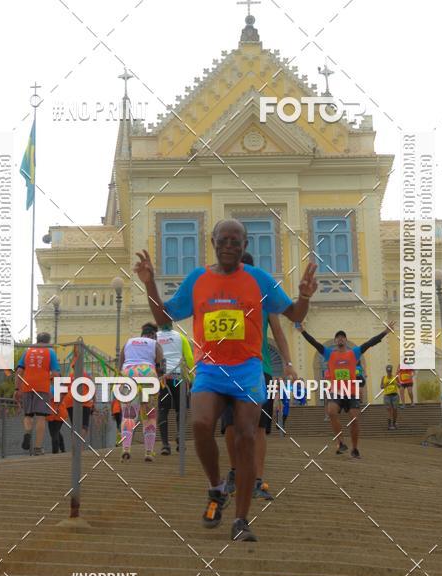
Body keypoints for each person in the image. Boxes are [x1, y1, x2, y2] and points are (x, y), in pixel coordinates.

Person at [134, 219, 318, 542]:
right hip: (210, 368)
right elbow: (163, 318)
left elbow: (294, 315)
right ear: (213, 242)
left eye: (237, 241)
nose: (230, 245)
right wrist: (149, 283)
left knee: (246, 436)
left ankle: (241, 519)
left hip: (247, 370)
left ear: (245, 246)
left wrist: (304, 297)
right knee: (201, 424)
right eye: (224, 240)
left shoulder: (259, 279)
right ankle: (217, 487)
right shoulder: (198, 280)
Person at [222, 252, 297, 501]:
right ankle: (234, 473)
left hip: (259, 369)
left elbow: (279, 333)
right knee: (230, 424)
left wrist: (287, 364)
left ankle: (256, 479)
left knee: (260, 427)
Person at [298, 322, 395, 459]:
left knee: (355, 419)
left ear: (346, 340)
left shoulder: (353, 353)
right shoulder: (329, 354)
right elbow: (314, 343)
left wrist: (385, 332)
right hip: (337, 390)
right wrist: (303, 331)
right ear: (335, 341)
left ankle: (355, 448)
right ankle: (341, 441)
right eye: (338, 337)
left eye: (343, 337)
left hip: (351, 392)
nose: (340, 339)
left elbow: (370, 343)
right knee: (331, 412)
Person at [119, 323, 164, 462]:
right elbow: (161, 365)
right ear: (153, 335)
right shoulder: (155, 344)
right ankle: (148, 452)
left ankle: (126, 449)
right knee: (149, 415)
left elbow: (120, 363)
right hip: (148, 373)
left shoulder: (128, 342)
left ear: (142, 333)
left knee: (128, 414)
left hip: (128, 373)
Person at [15, 332, 61, 456]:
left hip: (27, 386)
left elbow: (19, 371)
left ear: (37, 340)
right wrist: (56, 392)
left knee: (28, 415)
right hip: (42, 387)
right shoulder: (50, 352)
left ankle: (27, 432)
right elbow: (56, 374)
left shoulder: (28, 351)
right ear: (48, 341)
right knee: (41, 417)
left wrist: (17, 389)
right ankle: (38, 448)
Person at [156, 319, 194, 455]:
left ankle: (165, 445)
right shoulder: (180, 337)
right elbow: (189, 358)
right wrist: (192, 378)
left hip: (163, 378)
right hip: (178, 377)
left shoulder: (156, 337)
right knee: (181, 407)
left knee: (163, 410)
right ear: (171, 324)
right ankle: (180, 436)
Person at [64, 370, 96, 442]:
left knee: (75, 426)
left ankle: (74, 446)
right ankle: (79, 446)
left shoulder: (70, 376)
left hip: (70, 402)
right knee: (84, 426)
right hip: (84, 402)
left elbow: (63, 390)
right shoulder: (86, 375)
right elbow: (92, 388)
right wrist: (94, 402)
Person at [47, 379, 68, 453]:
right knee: (55, 432)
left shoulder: (56, 387)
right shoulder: (51, 387)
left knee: (54, 432)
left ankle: (55, 451)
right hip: (52, 413)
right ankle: (62, 448)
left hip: (58, 412)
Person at [381, 365, 400, 430]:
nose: (389, 372)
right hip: (387, 396)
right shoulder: (384, 377)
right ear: (386, 371)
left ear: (391, 371)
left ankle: (394, 423)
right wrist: (385, 385)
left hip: (394, 395)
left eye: (390, 371)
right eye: (388, 371)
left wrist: (397, 384)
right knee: (389, 410)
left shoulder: (395, 377)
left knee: (395, 410)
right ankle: (389, 425)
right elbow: (381, 386)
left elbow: (400, 386)